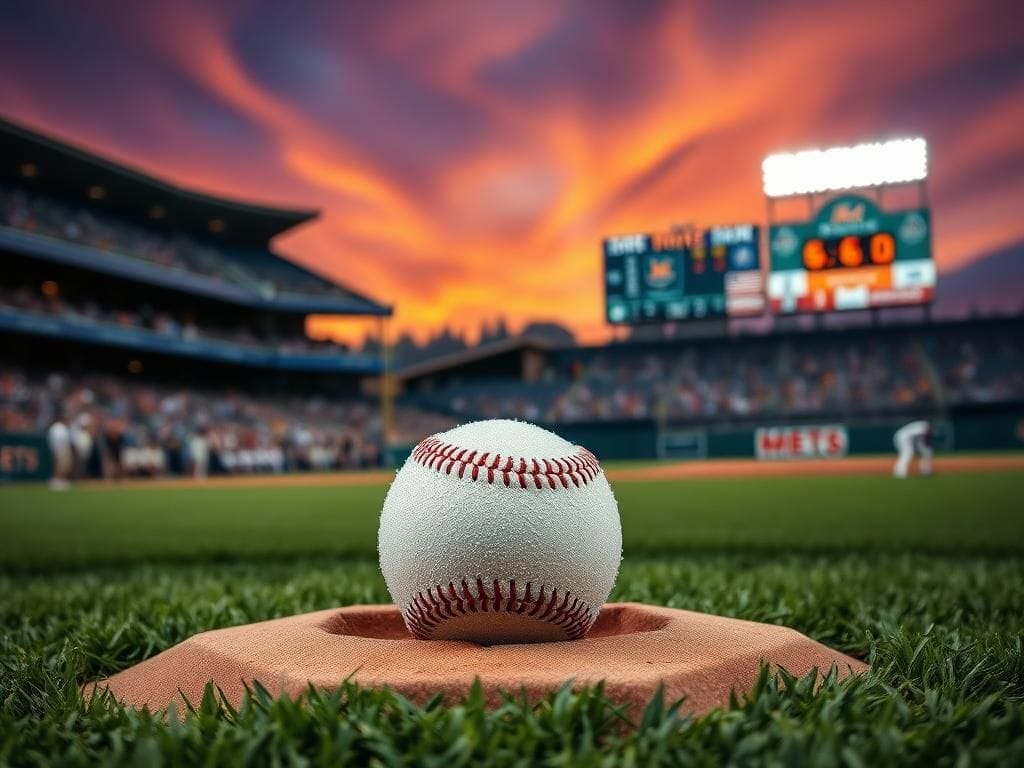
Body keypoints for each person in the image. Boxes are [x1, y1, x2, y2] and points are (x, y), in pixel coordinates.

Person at [47, 413, 73, 490]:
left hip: (61, 449)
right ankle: (56, 480)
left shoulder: (62, 428)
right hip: (60, 449)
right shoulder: (58, 428)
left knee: (64, 465)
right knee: (60, 465)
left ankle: (61, 480)